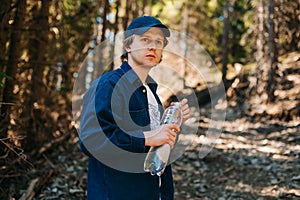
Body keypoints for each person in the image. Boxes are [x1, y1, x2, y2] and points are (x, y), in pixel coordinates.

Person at [79, 16, 190, 200]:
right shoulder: (109, 85)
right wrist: (146, 138)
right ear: (128, 46)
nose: (153, 46)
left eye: (159, 42)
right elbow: (91, 140)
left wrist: (173, 122)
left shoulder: (151, 91)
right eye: (145, 39)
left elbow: (156, 147)